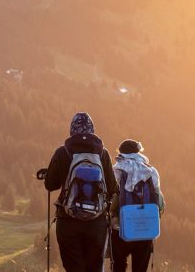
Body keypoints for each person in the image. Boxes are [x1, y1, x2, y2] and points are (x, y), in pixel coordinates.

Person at [45, 112, 118, 272]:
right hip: (97, 222)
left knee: (74, 268)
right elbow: (113, 188)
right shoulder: (102, 153)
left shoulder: (62, 152)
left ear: (72, 130)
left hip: (68, 221)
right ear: (92, 130)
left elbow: (50, 184)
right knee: (95, 268)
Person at [110, 139, 165, 272]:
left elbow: (110, 202)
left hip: (120, 229)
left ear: (121, 153)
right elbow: (160, 204)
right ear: (138, 152)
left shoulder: (115, 170)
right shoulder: (151, 171)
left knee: (119, 265)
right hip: (145, 228)